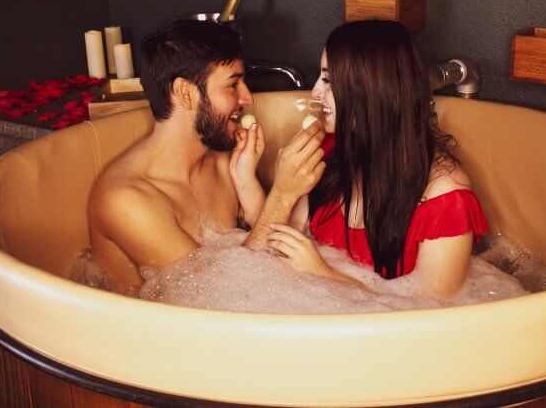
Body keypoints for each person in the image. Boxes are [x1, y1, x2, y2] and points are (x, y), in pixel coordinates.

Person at [247, 20, 489, 300]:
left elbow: (430, 315)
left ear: (370, 91)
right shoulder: (326, 154)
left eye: (327, 80)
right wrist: (270, 186)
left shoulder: (444, 197)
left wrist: (325, 273)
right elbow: (259, 268)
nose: (314, 92)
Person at [89, 19, 324, 293]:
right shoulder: (125, 199)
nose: (248, 98)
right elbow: (213, 293)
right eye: (233, 84)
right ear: (186, 93)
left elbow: (271, 256)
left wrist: (246, 182)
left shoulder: (224, 163)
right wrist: (283, 195)